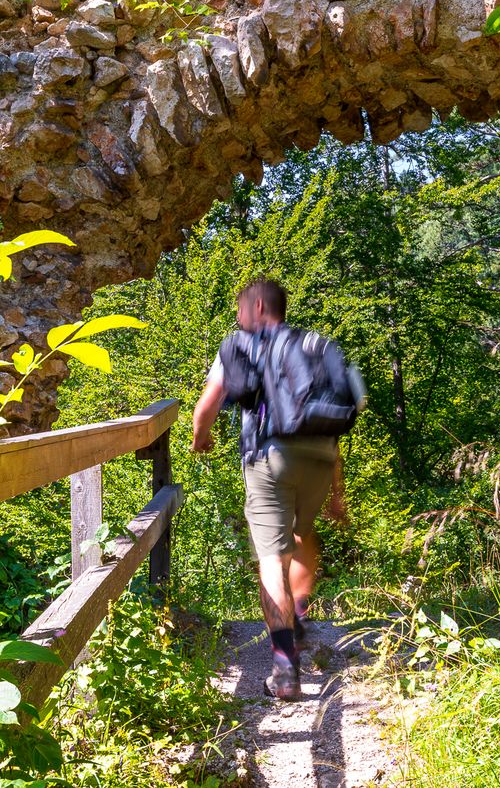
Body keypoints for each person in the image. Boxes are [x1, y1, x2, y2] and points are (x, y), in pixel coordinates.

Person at [192, 279, 340, 700]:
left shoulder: (242, 345)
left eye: (240, 309)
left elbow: (208, 404)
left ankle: (285, 668)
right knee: (301, 534)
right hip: (321, 458)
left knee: (272, 557)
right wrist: (337, 490)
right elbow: (333, 416)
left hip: (268, 455)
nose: (238, 317)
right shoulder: (314, 346)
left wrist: (200, 437)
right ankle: (298, 612)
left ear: (257, 307)